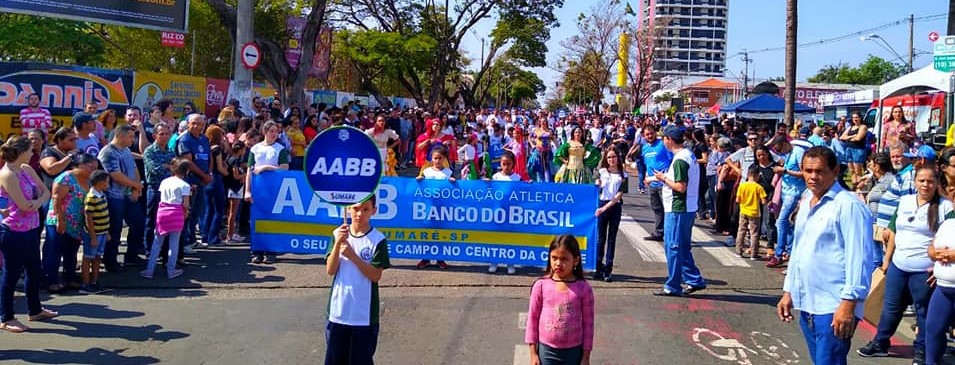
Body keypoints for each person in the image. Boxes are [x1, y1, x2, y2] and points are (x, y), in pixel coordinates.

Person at [776, 146, 878, 365]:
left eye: (820, 171)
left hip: (833, 305)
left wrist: (848, 304)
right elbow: (799, 251)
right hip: (808, 302)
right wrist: (788, 290)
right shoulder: (806, 200)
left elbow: (859, 259)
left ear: (835, 171)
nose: (813, 177)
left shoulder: (849, 207)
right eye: (808, 171)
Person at [856, 164, 951, 364]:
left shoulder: (945, 207)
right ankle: (880, 343)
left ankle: (922, 350)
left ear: (937, 183)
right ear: (915, 182)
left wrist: (937, 268)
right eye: (921, 180)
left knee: (923, 311)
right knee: (890, 307)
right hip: (898, 267)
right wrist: (887, 260)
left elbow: (949, 239)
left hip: (923, 271)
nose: (925, 185)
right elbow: (894, 232)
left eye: (930, 181)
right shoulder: (905, 201)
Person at [324, 195, 391, 365]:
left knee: (361, 360)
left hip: (364, 315)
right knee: (335, 359)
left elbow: (375, 275)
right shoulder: (338, 234)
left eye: (365, 209)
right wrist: (338, 243)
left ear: (373, 211)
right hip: (338, 312)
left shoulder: (378, 240)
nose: (359, 213)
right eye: (355, 208)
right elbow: (330, 270)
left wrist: (352, 256)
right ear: (348, 209)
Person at [0, 136, 56, 333]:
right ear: (21, 151)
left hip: (32, 228)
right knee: (11, 274)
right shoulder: (7, 174)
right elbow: (24, 205)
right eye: (30, 150)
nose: (33, 153)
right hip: (13, 231)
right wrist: (37, 201)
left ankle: (35, 309)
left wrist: (37, 202)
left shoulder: (26, 169)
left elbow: (46, 192)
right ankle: (6, 317)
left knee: (34, 270)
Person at [652, 125, 706, 297]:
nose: (662, 141)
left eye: (663, 138)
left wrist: (662, 178)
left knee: (673, 246)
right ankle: (693, 279)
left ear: (669, 139)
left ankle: (673, 285)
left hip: (678, 208)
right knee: (682, 246)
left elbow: (680, 187)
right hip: (686, 207)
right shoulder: (687, 155)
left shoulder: (681, 159)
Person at [524, 234, 594, 365]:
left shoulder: (584, 289)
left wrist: (586, 357)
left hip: (574, 353)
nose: (558, 263)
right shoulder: (541, 285)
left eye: (564, 259)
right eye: (554, 258)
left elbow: (588, 325)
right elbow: (532, 320)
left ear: (576, 260)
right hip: (547, 352)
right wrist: (533, 354)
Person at [99, 125, 146, 272]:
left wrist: (136, 187)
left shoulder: (125, 150)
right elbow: (115, 175)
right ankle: (110, 261)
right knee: (115, 229)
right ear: (120, 136)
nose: (133, 140)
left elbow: (134, 169)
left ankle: (132, 255)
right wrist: (136, 186)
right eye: (130, 137)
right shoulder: (108, 152)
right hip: (114, 196)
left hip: (129, 195)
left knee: (138, 223)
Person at [767, 127, 813, 268]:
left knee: (781, 221)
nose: (780, 153)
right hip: (785, 190)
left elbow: (805, 173)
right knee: (788, 223)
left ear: (785, 144)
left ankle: (779, 253)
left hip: (795, 192)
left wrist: (785, 170)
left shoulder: (798, 152)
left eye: (780, 150)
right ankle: (789, 250)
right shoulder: (788, 152)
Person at [244, 121, 289, 264]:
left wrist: (265, 167)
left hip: (273, 189)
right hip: (258, 190)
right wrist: (247, 190)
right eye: (271, 131)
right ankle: (256, 251)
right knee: (256, 220)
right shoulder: (255, 149)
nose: (274, 134)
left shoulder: (280, 149)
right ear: (265, 132)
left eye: (276, 131)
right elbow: (249, 171)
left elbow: (284, 168)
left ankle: (271, 252)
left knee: (272, 220)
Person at [141, 159, 190, 280]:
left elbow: (161, 196)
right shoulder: (185, 185)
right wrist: (186, 213)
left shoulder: (164, 182)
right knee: (174, 244)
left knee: (157, 242)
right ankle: (171, 270)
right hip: (177, 213)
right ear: (187, 171)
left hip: (163, 212)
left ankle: (149, 270)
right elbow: (186, 204)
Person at [177, 114, 212, 252]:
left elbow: (209, 157)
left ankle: (192, 239)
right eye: (194, 123)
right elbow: (188, 162)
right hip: (190, 181)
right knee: (187, 211)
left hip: (202, 181)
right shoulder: (184, 140)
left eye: (200, 123)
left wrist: (208, 174)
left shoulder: (204, 138)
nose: (197, 126)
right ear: (188, 124)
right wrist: (204, 175)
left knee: (196, 212)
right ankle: (184, 242)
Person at [415, 146, 454, 269]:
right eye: (435, 158)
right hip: (427, 208)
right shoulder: (426, 172)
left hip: (442, 209)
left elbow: (453, 190)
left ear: (444, 159)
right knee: (427, 233)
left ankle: (440, 258)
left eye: (440, 158)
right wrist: (419, 180)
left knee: (440, 234)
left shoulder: (448, 173)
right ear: (431, 159)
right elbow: (418, 188)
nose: (437, 160)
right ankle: (425, 258)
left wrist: (453, 182)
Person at [594, 147, 627, 283]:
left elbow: (619, 195)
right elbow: (595, 187)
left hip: (614, 207)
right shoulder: (601, 172)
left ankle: (608, 269)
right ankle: (598, 268)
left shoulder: (623, 174)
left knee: (611, 239)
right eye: (609, 157)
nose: (611, 160)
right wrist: (597, 184)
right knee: (600, 239)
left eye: (613, 157)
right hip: (601, 204)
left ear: (617, 158)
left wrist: (606, 207)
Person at [488, 151, 521, 275]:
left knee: (509, 238)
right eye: (503, 164)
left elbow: (525, 193)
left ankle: (510, 262)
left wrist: (528, 185)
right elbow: (489, 192)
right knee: (496, 237)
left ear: (513, 164)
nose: (506, 167)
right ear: (500, 164)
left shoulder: (517, 178)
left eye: (509, 164)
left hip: (512, 213)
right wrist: (486, 183)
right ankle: (494, 261)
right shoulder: (496, 177)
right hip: (497, 212)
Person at [638, 125, 671, 241]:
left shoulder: (662, 145)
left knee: (668, 210)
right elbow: (647, 164)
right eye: (647, 134)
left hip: (664, 183)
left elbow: (671, 160)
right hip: (652, 183)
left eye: (651, 133)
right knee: (657, 209)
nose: (649, 136)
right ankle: (658, 232)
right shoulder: (645, 148)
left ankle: (670, 234)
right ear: (643, 136)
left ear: (655, 133)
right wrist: (646, 176)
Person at [80, 170, 110, 294]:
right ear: (100, 183)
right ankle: (85, 284)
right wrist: (92, 236)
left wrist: (106, 231)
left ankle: (95, 281)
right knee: (88, 258)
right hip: (94, 234)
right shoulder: (91, 197)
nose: (108, 184)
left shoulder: (101, 194)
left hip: (102, 232)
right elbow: (88, 217)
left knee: (97, 257)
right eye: (107, 182)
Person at [202, 125, 228, 247]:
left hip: (207, 180)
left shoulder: (207, 147)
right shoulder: (217, 149)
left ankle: (205, 236)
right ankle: (213, 238)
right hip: (216, 180)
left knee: (208, 210)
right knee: (219, 210)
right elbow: (220, 167)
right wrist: (227, 173)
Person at [735, 167, 767, 259]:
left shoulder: (742, 186)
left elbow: (738, 200)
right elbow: (763, 201)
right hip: (754, 212)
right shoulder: (758, 187)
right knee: (754, 233)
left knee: (741, 231)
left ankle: (738, 251)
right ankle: (754, 253)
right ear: (756, 175)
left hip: (743, 210)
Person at [225, 142, 248, 243]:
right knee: (232, 212)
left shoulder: (237, 160)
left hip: (237, 188)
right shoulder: (234, 160)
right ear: (240, 149)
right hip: (234, 188)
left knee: (234, 212)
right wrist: (247, 174)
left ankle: (233, 233)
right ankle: (230, 235)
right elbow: (236, 176)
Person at [839, 112, 869, 187]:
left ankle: (860, 187)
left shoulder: (863, 127)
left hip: (858, 149)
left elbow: (858, 138)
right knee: (851, 171)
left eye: (856, 117)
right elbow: (842, 137)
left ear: (860, 118)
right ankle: (854, 186)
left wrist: (848, 138)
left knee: (858, 171)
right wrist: (852, 136)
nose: (855, 119)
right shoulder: (850, 127)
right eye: (853, 117)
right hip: (848, 149)